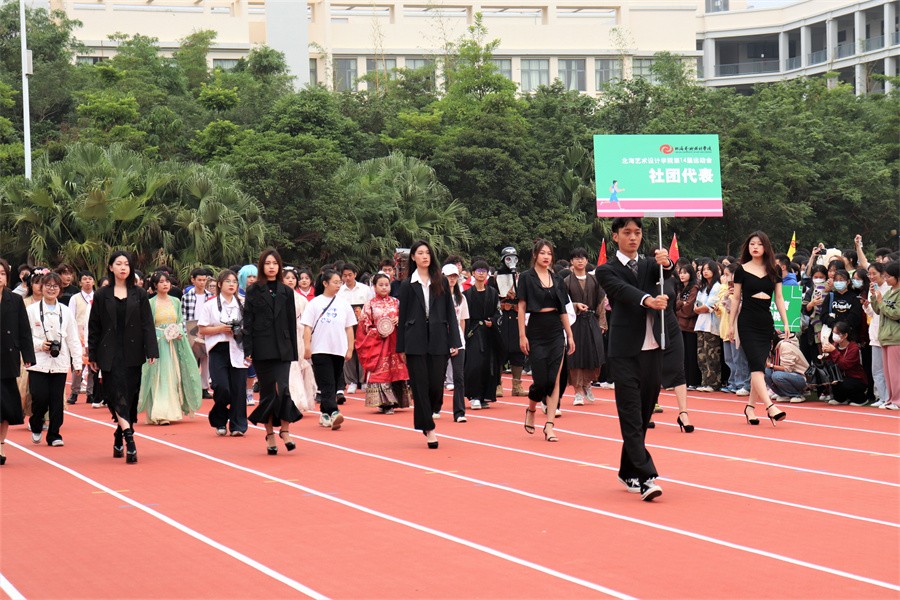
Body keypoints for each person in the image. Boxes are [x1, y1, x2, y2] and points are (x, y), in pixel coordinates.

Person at [595, 217, 673, 501]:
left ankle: (627, 470)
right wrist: (647, 300)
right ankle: (646, 476)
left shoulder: (651, 265)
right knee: (629, 413)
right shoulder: (606, 270)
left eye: (637, 232)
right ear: (615, 236)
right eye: (626, 232)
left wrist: (668, 264)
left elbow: (670, 280)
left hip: (653, 347)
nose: (633, 237)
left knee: (642, 415)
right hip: (625, 351)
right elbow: (621, 291)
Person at [88, 251, 159, 463]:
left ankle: (119, 434)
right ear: (111, 267)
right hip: (108, 352)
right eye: (118, 264)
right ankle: (130, 439)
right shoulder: (102, 294)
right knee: (115, 393)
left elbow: (147, 324)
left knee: (130, 396)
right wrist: (92, 354)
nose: (122, 268)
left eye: (126, 264)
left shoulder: (139, 294)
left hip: (133, 351)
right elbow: (94, 326)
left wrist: (151, 350)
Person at [397, 240, 461, 449]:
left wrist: (454, 341)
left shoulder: (440, 280)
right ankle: (429, 428)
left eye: (427, 253)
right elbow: (403, 316)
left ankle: (427, 416)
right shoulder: (407, 284)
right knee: (420, 385)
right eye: (420, 253)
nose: (425, 256)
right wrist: (401, 347)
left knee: (435, 385)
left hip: (439, 338)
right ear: (413, 257)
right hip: (414, 340)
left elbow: (450, 313)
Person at [242, 249, 302, 454]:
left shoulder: (287, 291)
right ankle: (269, 435)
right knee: (268, 393)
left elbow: (291, 322)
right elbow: (248, 322)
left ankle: (285, 430)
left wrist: (293, 351)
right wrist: (248, 349)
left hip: (283, 348)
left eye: (275, 263)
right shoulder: (253, 290)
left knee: (283, 389)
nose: (271, 267)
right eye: (267, 263)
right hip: (262, 348)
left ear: (279, 266)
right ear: (262, 266)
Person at [728, 231, 788, 426]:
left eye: (759, 244)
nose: (755, 247)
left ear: (766, 247)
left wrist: (786, 323)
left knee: (759, 366)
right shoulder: (741, 270)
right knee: (756, 364)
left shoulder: (774, 269)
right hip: (747, 321)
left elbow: (779, 298)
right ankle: (770, 407)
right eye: (752, 244)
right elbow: (736, 299)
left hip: (765, 322)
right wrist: (731, 325)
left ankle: (750, 408)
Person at [518, 239, 575, 443]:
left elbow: (562, 309)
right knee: (541, 381)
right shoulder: (526, 277)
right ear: (535, 255)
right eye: (542, 253)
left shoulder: (557, 278)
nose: (546, 256)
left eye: (549, 253)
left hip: (555, 331)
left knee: (554, 379)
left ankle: (549, 425)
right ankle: (532, 409)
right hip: (535, 329)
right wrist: (522, 335)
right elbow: (521, 307)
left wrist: (570, 335)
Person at [138, 271, 202, 425]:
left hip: (174, 344)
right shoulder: (150, 303)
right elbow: (147, 325)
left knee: (174, 376)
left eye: (167, 281)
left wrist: (178, 333)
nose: (165, 284)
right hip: (158, 343)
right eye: (161, 282)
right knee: (159, 377)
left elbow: (180, 321)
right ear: (155, 285)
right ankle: (160, 413)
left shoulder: (176, 301)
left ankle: (172, 411)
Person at [301, 269, 356, 429]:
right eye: (335, 282)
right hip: (320, 349)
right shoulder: (315, 303)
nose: (338, 285)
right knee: (327, 382)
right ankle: (333, 411)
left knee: (333, 381)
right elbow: (307, 327)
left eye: (340, 282)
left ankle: (324, 413)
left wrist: (350, 348)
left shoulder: (344, 304)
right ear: (325, 283)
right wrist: (307, 346)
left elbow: (349, 328)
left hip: (338, 349)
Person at [198, 270, 249, 436]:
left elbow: (250, 328)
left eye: (234, 281)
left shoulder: (243, 303)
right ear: (220, 284)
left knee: (238, 389)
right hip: (218, 349)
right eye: (228, 281)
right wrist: (221, 329)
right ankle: (219, 419)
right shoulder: (210, 305)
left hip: (238, 349)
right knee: (221, 387)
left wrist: (239, 332)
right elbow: (202, 329)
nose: (232, 284)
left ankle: (238, 425)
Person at [354, 273, 410, 415]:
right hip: (378, 344)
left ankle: (396, 400)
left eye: (386, 285)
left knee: (396, 370)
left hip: (395, 342)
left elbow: (406, 317)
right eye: (381, 285)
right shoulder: (370, 304)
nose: (384, 287)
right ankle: (385, 403)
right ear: (374, 287)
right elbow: (364, 324)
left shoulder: (396, 302)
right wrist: (377, 331)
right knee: (381, 371)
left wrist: (399, 320)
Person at [0, 258, 36, 465]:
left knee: (5, 406)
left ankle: (1, 444)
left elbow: (24, 330)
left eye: (2, 273)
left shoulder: (14, 300)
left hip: (8, 357)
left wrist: (28, 356)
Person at [563, 248, 607, 406]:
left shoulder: (595, 281)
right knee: (575, 357)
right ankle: (577, 392)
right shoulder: (566, 281)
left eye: (582, 258)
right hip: (574, 323)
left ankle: (587, 384)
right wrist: (575, 305)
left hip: (591, 321)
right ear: (571, 262)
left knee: (594, 354)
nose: (580, 261)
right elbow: (563, 303)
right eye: (576, 258)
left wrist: (602, 322)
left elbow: (601, 302)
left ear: (587, 260)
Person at [463, 260, 501, 412]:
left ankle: (485, 396)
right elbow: (463, 316)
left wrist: (492, 321)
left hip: (489, 333)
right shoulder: (466, 295)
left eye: (484, 271)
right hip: (473, 332)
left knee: (488, 364)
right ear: (473, 273)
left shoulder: (493, 293)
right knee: (474, 364)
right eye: (478, 271)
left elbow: (498, 313)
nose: (481, 273)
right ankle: (474, 396)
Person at [491, 246, 527, 397]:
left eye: (514, 258)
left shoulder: (520, 277)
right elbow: (491, 297)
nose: (511, 261)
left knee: (518, 350)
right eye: (508, 258)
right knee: (500, 350)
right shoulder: (494, 277)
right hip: (501, 317)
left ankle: (517, 385)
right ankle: (497, 385)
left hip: (517, 317)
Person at [660, 277, 694, 432]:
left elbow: (673, 305)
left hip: (672, 326)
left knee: (679, 367)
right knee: (651, 370)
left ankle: (683, 413)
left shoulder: (671, 280)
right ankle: (648, 410)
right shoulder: (643, 277)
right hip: (650, 326)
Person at [337, 262, 372, 396]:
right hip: (346, 324)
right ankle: (351, 381)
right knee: (348, 351)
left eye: (350, 275)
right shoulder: (339, 291)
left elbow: (370, 305)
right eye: (345, 275)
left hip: (363, 324)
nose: (347, 278)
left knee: (363, 351)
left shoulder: (365, 289)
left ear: (355, 275)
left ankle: (363, 381)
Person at [285, 268, 316, 414]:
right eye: (287, 278)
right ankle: (292, 400)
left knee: (299, 366)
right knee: (290, 367)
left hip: (298, 336)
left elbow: (308, 322)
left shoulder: (302, 300)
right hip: (283, 337)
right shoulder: (277, 297)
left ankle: (299, 399)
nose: (291, 280)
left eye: (293, 278)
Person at [717, 263, 750, 396]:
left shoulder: (744, 289)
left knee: (739, 358)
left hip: (739, 328)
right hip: (727, 327)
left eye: (727, 275)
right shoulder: (727, 289)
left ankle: (742, 383)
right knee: (730, 359)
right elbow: (727, 309)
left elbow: (739, 309)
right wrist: (726, 297)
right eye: (724, 275)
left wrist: (735, 297)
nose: (725, 278)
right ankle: (733, 382)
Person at [871, 261, 900, 410]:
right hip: (885, 336)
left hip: (896, 337)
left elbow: (896, 313)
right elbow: (878, 310)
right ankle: (890, 399)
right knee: (888, 372)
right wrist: (874, 297)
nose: (886, 279)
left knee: (895, 372)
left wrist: (881, 302)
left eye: (889, 276)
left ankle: (897, 400)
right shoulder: (889, 291)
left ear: (897, 277)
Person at [181, 267, 213, 400]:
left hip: (207, 330)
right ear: (193, 280)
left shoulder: (211, 297)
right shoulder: (186, 297)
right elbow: (182, 316)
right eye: (199, 280)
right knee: (191, 360)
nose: (202, 282)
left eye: (204, 280)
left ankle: (204, 388)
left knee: (206, 360)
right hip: (191, 329)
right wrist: (185, 333)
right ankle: (192, 388)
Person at [442, 264, 469, 422]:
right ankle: (435, 406)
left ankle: (459, 412)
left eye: (454, 276)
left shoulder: (461, 298)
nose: (451, 279)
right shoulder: (437, 297)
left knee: (459, 377)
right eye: (449, 276)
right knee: (438, 376)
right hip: (441, 340)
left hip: (458, 340)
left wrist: (460, 339)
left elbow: (462, 321)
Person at [820, 321, 868, 406]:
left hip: (856, 379)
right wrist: (826, 354)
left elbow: (844, 365)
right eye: (833, 333)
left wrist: (833, 351)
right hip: (841, 377)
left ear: (845, 335)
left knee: (845, 384)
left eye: (837, 333)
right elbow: (830, 363)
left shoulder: (854, 348)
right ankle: (840, 398)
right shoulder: (834, 345)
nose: (834, 335)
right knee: (832, 378)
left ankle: (861, 399)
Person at [66, 270, 96, 405]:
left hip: (93, 333)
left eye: (90, 279)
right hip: (78, 334)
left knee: (92, 364)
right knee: (78, 363)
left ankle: (90, 392)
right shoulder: (75, 298)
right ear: (80, 282)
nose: (87, 281)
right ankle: (74, 392)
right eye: (84, 279)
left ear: (93, 282)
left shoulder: (97, 297)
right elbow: (71, 316)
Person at [693, 260, 722, 392]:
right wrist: (699, 309)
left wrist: (700, 309)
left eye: (708, 269)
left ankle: (714, 382)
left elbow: (709, 306)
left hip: (711, 325)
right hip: (701, 324)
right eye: (703, 269)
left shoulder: (717, 287)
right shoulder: (703, 288)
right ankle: (705, 381)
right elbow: (697, 306)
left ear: (714, 271)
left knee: (712, 354)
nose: (705, 272)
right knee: (702, 355)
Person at [865, 263, 890, 406]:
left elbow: (885, 310)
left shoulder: (890, 289)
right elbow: (873, 313)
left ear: (882, 273)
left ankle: (890, 398)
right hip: (875, 333)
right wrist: (866, 306)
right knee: (877, 369)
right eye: (869, 274)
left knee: (889, 370)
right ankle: (881, 397)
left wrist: (878, 298)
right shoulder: (871, 289)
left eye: (874, 273)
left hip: (888, 334)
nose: (871, 276)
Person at [674, 265, 701, 389]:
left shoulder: (694, 288)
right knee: (683, 354)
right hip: (680, 325)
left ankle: (693, 381)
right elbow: (673, 305)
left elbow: (689, 309)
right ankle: (685, 380)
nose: (682, 275)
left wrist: (679, 310)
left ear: (691, 274)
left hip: (690, 326)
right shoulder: (679, 288)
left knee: (691, 354)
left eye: (685, 273)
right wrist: (681, 304)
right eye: (680, 272)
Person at [765, 334, 810, 403]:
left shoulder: (784, 346)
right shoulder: (771, 349)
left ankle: (797, 395)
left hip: (801, 377)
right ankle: (784, 395)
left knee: (776, 375)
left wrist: (770, 365)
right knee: (765, 372)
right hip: (787, 375)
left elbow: (787, 369)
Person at [237, 264, 259, 405]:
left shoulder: (260, 294)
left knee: (251, 365)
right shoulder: (236, 295)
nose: (251, 279)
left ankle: (249, 392)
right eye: (248, 276)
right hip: (238, 335)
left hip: (255, 334)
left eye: (254, 276)